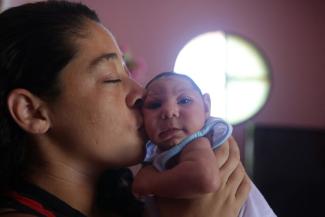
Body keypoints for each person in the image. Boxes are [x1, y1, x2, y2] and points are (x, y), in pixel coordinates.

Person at [0, 1, 250, 217]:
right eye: (111, 78)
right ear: (32, 111)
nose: (142, 94)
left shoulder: (128, 202)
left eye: (128, 73)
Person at [133, 72, 277, 217]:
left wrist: (150, 182)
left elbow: (206, 179)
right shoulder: (156, 154)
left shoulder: (199, 141)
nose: (169, 112)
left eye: (184, 100)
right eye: (154, 104)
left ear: (206, 106)